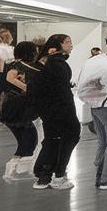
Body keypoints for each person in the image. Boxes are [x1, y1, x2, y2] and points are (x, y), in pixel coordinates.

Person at [76, 35, 107, 190]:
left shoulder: (98, 59)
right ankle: (105, 180)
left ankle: (99, 175)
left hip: (95, 104)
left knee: (103, 141)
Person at [30, 34, 80, 191]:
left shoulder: (44, 63)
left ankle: (44, 175)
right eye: (68, 42)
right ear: (58, 45)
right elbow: (60, 91)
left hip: (48, 111)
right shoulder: (57, 64)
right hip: (61, 110)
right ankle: (58, 175)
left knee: (53, 140)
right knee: (70, 136)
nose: (71, 45)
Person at [0, 41, 41, 180]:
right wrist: (28, 88)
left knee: (26, 141)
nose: (36, 53)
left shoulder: (17, 64)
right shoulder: (18, 65)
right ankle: (15, 169)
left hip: (14, 107)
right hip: (18, 107)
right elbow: (10, 78)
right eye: (34, 51)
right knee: (29, 139)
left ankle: (14, 170)